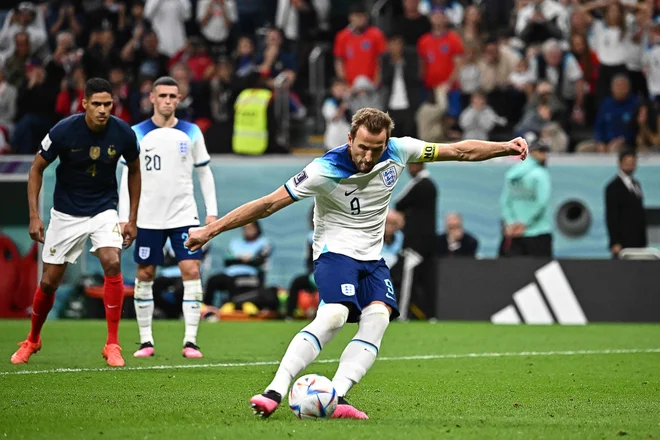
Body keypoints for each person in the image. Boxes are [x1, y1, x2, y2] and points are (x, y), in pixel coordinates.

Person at [184, 107, 527, 419]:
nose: (368, 156)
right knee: (334, 314)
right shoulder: (323, 170)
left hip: (372, 258)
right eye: (362, 146)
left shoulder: (400, 150)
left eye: (376, 149)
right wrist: (210, 230)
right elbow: (268, 204)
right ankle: (274, 390)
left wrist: (504, 148)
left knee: (378, 317)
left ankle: (338, 397)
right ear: (350, 138)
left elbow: (459, 150)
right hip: (335, 252)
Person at [11, 78, 141, 367]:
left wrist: (131, 218)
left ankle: (112, 344)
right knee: (49, 282)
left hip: (103, 209)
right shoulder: (64, 130)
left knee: (112, 261)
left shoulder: (123, 133)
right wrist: (34, 215)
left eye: (108, 104)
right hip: (66, 213)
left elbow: (134, 169)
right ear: (84, 104)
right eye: (96, 104)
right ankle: (33, 339)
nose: (103, 110)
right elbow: (36, 169)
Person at [118, 76, 217, 359]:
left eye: (173, 96)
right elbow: (127, 175)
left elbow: (204, 172)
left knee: (192, 272)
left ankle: (191, 342)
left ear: (179, 98)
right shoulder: (135, 133)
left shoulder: (192, 132)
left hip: (184, 215)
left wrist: (212, 212)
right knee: (145, 273)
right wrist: (125, 218)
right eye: (163, 96)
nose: (168, 101)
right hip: (148, 216)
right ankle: (146, 341)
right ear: (151, 98)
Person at [500, 140, 552, 257]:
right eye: (542, 151)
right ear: (531, 152)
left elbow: (505, 201)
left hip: (513, 232)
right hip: (537, 232)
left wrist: (511, 222)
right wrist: (523, 224)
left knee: (513, 273)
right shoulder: (540, 173)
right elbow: (541, 202)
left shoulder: (512, 173)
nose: (545, 155)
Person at [605, 150, 647, 258]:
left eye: (633, 162)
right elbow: (611, 216)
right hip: (623, 242)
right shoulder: (613, 187)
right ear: (620, 163)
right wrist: (615, 242)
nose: (630, 165)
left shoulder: (636, 184)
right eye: (627, 162)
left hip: (638, 241)